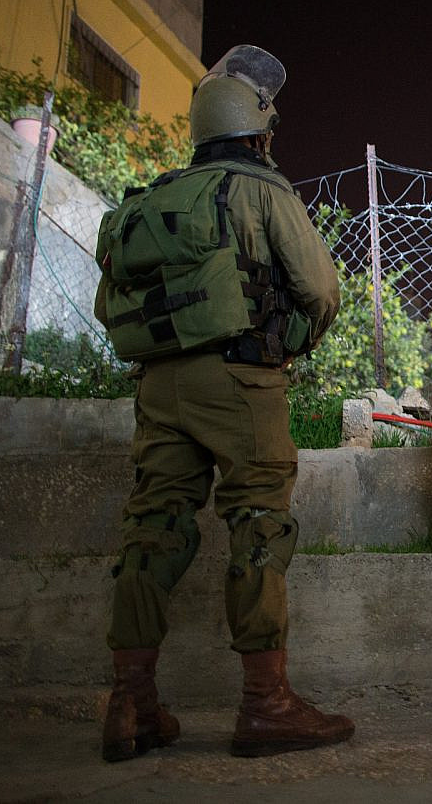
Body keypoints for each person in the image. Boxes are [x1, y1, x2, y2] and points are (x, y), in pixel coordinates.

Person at [95, 45, 352, 760]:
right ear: (260, 122)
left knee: (152, 525)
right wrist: (289, 337)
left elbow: (108, 297)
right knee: (259, 523)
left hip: (158, 384)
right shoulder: (262, 189)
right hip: (241, 380)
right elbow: (322, 291)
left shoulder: (151, 197)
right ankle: (266, 706)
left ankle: (131, 701)